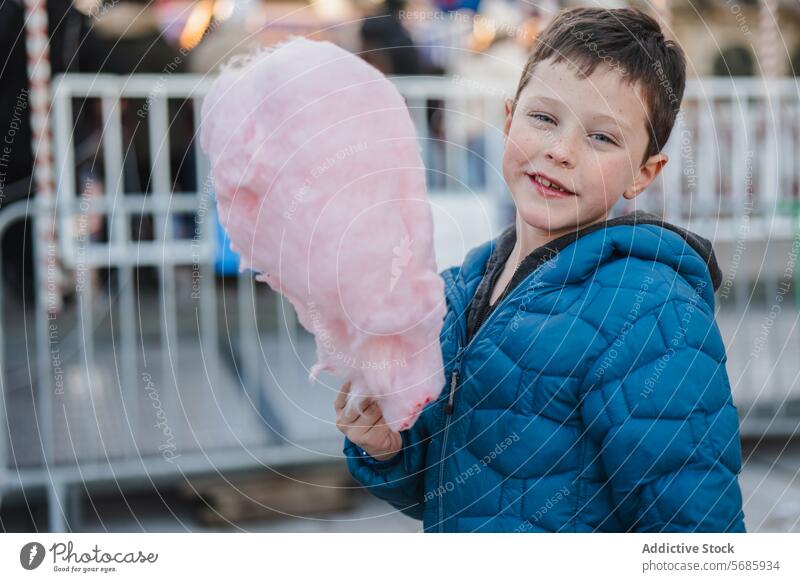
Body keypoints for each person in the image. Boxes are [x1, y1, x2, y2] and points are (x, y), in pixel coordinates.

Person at [334, 6, 746, 533]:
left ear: (644, 173)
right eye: (544, 118)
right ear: (508, 118)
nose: (560, 151)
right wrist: (388, 449)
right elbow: (457, 489)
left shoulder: (653, 315)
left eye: (602, 137)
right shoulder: (465, 288)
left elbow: (699, 534)